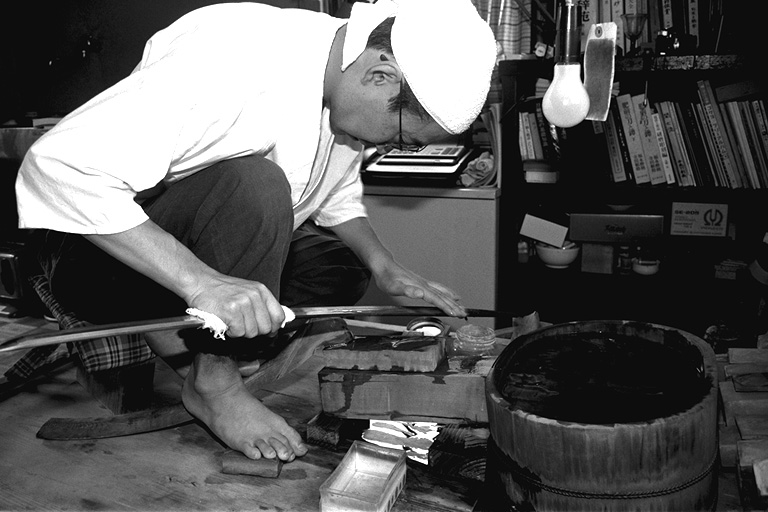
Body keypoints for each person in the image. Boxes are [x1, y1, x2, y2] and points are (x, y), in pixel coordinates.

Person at [15, 0, 497, 463]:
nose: (391, 147)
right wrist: (203, 283)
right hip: (90, 258)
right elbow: (57, 168)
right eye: (401, 137)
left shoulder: (342, 75)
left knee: (341, 264)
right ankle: (213, 384)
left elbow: (335, 193)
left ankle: (200, 340)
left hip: (179, 243)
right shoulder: (233, 58)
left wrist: (384, 265)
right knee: (257, 185)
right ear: (380, 75)